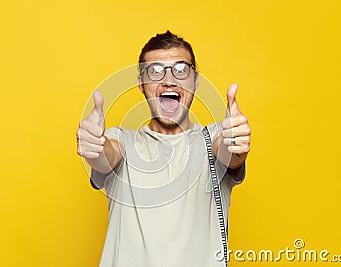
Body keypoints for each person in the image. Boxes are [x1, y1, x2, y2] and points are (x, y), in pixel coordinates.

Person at [76, 31, 251, 267]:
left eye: (181, 70)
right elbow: (106, 156)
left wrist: (235, 143)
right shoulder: (124, 143)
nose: (169, 80)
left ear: (196, 81)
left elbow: (229, 154)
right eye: (156, 71)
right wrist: (94, 147)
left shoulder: (214, 139)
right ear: (141, 83)